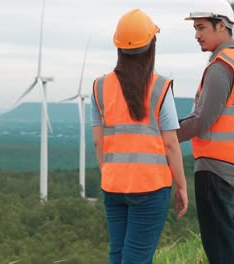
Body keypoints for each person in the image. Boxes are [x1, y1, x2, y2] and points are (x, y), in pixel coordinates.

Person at [91, 9, 188, 264]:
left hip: (113, 186)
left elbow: (98, 141)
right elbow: (170, 144)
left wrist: (110, 173)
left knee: (119, 254)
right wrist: (182, 185)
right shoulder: (160, 87)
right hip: (150, 187)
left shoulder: (99, 87)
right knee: (137, 258)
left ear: (118, 47)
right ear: (151, 45)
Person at [177, 1, 234, 263]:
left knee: (220, 242)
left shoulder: (220, 68)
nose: (196, 35)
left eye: (201, 27)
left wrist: (167, 133)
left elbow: (202, 120)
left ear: (221, 25)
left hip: (217, 168)